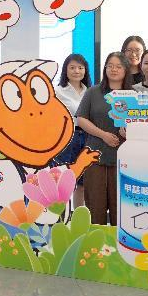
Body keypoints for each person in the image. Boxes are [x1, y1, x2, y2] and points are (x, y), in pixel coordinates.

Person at [77, 52, 131, 226]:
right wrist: (103, 135)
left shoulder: (134, 95)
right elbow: (81, 119)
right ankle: (96, 241)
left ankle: (120, 241)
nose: (114, 70)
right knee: (95, 205)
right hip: (95, 155)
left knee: (120, 206)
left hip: (124, 158)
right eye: (110, 66)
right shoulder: (93, 92)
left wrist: (130, 132)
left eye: (118, 66)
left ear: (126, 69)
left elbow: (142, 123)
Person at [54, 53, 92, 209]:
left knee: (82, 182)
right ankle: (59, 217)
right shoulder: (57, 91)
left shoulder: (90, 91)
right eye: (72, 67)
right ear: (66, 70)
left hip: (88, 137)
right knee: (62, 181)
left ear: (85, 70)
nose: (77, 71)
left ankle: (77, 216)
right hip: (67, 138)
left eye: (80, 68)